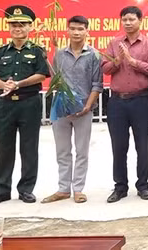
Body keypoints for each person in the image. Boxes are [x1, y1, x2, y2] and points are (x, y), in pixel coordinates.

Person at [42, 15, 103, 204]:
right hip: (61, 110)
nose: (76, 32)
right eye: (73, 29)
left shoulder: (93, 55)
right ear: (67, 30)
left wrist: (87, 106)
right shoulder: (59, 54)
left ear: (87, 31)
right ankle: (63, 189)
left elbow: (97, 84)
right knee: (62, 151)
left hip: (83, 110)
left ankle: (78, 189)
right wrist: (46, 59)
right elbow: (55, 79)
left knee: (82, 151)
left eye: (80, 29)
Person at [102, 6, 148, 203]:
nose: (127, 23)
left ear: (140, 21)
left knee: (142, 145)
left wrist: (132, 61)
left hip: (141, 100)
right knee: (119, 146)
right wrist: (118, 60)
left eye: (131, 19)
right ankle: (120, 187)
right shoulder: (114, 42)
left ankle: (143, 186)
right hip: (117, 101)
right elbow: (106, 68)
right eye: (124, 19)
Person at [0, 5, 50, 205]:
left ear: (30, 27)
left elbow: (41, 74)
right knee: (3, 148)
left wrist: (18, 83)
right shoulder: (0, 52)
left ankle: (26, 189)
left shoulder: (37, 51)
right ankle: (1, 189)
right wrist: (4, 85)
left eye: (22, 25)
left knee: (29, 148)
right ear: (8, 27)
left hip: (29, 103)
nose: (18, 28)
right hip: (4, 104)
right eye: (14, 25)